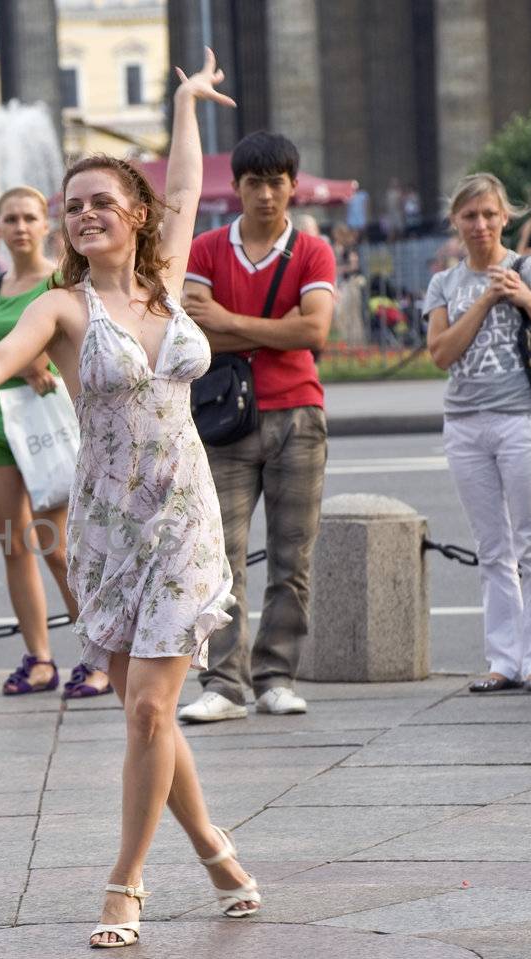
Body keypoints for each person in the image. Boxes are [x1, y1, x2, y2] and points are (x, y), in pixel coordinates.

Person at [0, 47, 262, 949]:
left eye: (101, 200)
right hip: (107, 523)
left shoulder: (165, 273)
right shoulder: (64, 308)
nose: (85, 214)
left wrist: (186, 104)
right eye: (74, 207)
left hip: (186, 513)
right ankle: (217, 850)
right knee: (139, 709)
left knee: (152, 707)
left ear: (136, 214)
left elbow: (184, 184)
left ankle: (126, 883)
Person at [176, 131, 337, 724]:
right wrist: (275, 325)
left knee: (293, 558)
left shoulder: (313, 252)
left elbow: (315, 334)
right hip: (226, 422)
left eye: (276, 182)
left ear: (293, 185)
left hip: (299, 415)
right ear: (236, 188)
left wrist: (230, 322)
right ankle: (225, 684)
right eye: (254, 183)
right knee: (221, 561)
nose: (266, 194)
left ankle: (277, 675)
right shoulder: (207, 249)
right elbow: (195, 333)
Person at [424, 174, 531, 693]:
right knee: (492, 548)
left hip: (522, 420)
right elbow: (442, 353)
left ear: (505, 217)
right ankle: (503, 659)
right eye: (470, 216)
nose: (481, 225)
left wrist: (526, 299)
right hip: (466, 424)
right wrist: (484, 302)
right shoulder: (445, 283)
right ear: (455, 222)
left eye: (489, 214)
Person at [0, 185, 109, 700]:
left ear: (44, 224)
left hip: (44, 423)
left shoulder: (60, 281)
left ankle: (96, 656)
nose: (20, 226)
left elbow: (76, 344)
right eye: (10, 219)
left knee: (57, 547)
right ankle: (40, 659)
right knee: (14, 546)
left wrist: (35, 363)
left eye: (29, 217)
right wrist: (15, 362)